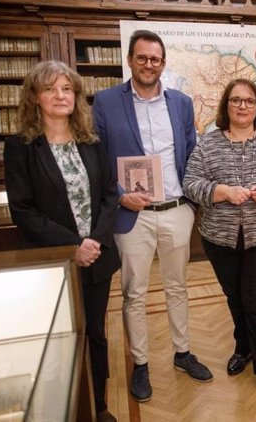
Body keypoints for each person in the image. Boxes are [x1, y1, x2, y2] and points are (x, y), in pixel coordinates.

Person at [92, 29, 212, 403]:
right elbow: (97, 160)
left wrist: (192, 203)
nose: (149, 64)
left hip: (176, 211)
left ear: (163, 63)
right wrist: (120, 197)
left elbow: (192, 154)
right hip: (132, 216)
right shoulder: (105, 102)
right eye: (142, 58)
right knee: (135, 292)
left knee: (178, 286)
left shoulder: (181, 103)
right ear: (130, 60)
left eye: (155, 59)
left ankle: (182, 352)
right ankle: (140, 363)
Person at [4, 60, 120, 422]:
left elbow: (110, 195)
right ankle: (62, 406)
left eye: (67, 89)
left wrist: (94, 242)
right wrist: (75, 245)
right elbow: (23, 210)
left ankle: (98, 405)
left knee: (96, 335)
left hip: (97, 258)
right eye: (50, 88)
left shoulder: (91, 142)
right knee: (58, 338)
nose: (60, 95)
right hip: (52, 261)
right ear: (35, 97)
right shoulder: (21, 147)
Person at [183, 78, 256, 401]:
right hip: (219, 238)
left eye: (249, 101)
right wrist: (221, 192)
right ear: (226, 106)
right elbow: (191, 183)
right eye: (236, 100)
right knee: (235, 298)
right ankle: (243, 347)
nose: (242, 106)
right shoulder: (208, 143)